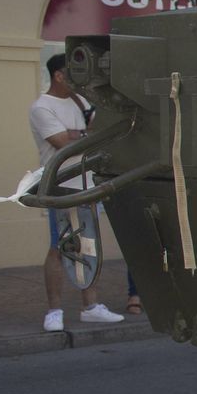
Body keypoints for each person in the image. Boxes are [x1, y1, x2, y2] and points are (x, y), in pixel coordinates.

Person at [29, 53, 124, 332]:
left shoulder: (81, 101)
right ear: (58, 75)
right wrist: (87, 134)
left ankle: (91, 306)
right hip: (61, 185)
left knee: (88, 245)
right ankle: (54, 310)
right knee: (60, 246)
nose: (79, 80)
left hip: (87, 183)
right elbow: (60, 141)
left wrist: (82, 132)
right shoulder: (41, 107)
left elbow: (101, 129)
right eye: (72, 73)